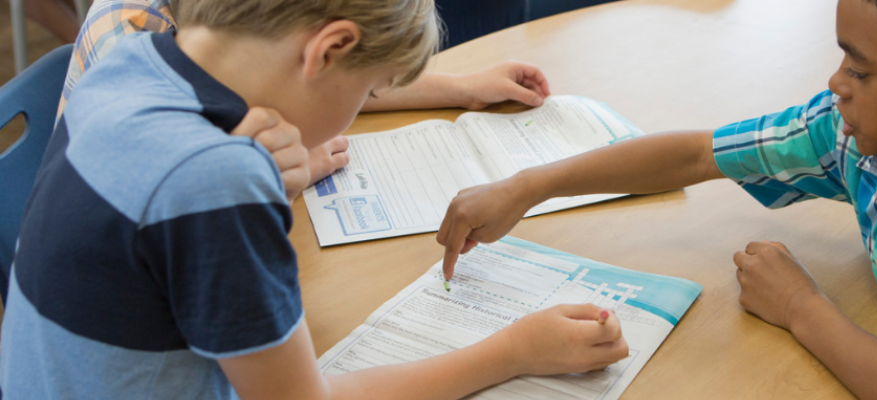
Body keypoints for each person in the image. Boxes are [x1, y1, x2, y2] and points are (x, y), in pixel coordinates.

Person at [436, 0, 877, 398]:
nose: (836, 82)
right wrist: (528, 186)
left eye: (860, 69)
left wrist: (801, 307)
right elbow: (696, 154)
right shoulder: (865, 126)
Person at [0, 0, 627, 398]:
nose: (361, 106)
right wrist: (513, 351)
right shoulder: (217, 185)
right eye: (369, 90)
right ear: (329, 50)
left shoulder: (133, 59)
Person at [59, 0, 553, 199]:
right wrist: (262, 183)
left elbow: (325, 75)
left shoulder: (219, 38)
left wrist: (462, 87)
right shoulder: (132, 46)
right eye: (370, 89)